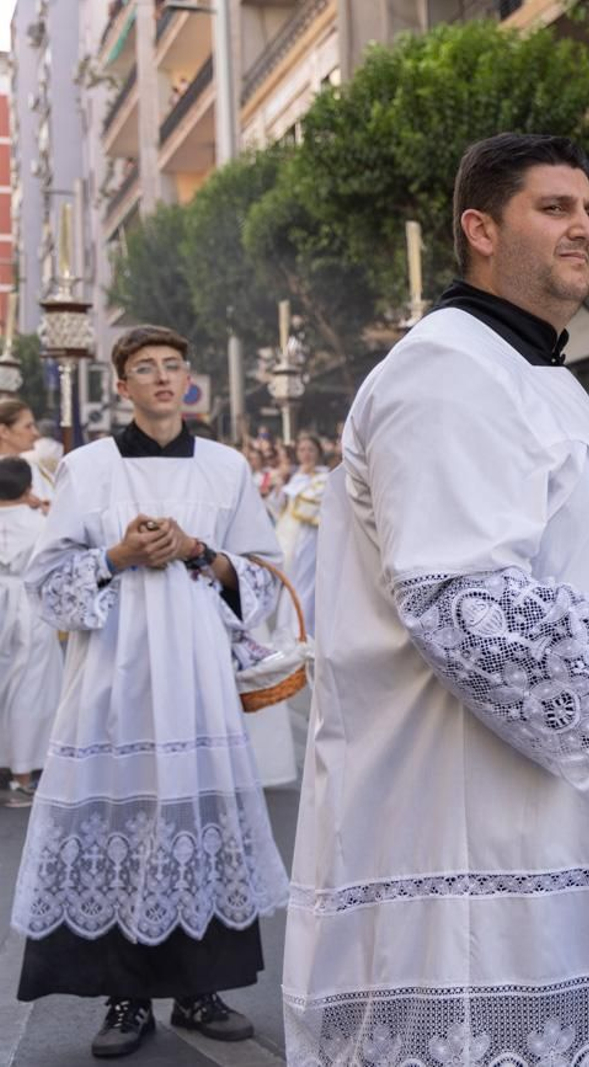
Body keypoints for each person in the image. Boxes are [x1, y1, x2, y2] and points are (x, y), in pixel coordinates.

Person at [284, 135, 589, 1066]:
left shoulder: (541, 374)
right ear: (479, 228)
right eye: (554, 208)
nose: (583, 227)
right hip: (493, 836)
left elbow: (549, 544)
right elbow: (459, 599)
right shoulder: (445, 371)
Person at [14, 326, 287, 1057]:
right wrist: (119, 553)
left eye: (172, 366)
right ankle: (126, 999)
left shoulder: (226, 468)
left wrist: (200, 551)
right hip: (114, 675)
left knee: (194, 819)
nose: (162, 378)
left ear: (188, 380)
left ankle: (201, 991)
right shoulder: (87, 467)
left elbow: (263, 571)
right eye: (145, 368)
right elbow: (47, 579)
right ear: (124, 385)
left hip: (196, 675)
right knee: (124, 824)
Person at [0, 457, 61, 807]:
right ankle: (22, 775)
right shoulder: (40, 525)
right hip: (26, 605)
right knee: (30, 687)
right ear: (27, 488)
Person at [274, 434, 329, 637]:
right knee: (291, 583)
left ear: (318, 453)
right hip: (291, 538)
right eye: (302, 450)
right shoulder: (296, 477)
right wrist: (280, 489)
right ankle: (288, 631)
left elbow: (311, 506)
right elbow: (280, 507)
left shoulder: (324, 477)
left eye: (310, 450)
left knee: (307, 584)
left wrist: (292, 493)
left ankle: (305, 632)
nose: (306, 454)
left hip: (310, 537)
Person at [0, 400, 53, 509]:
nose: (36, 433)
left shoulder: (31, 466)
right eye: (28, 427)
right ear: (4, 431)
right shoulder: (8, 472)